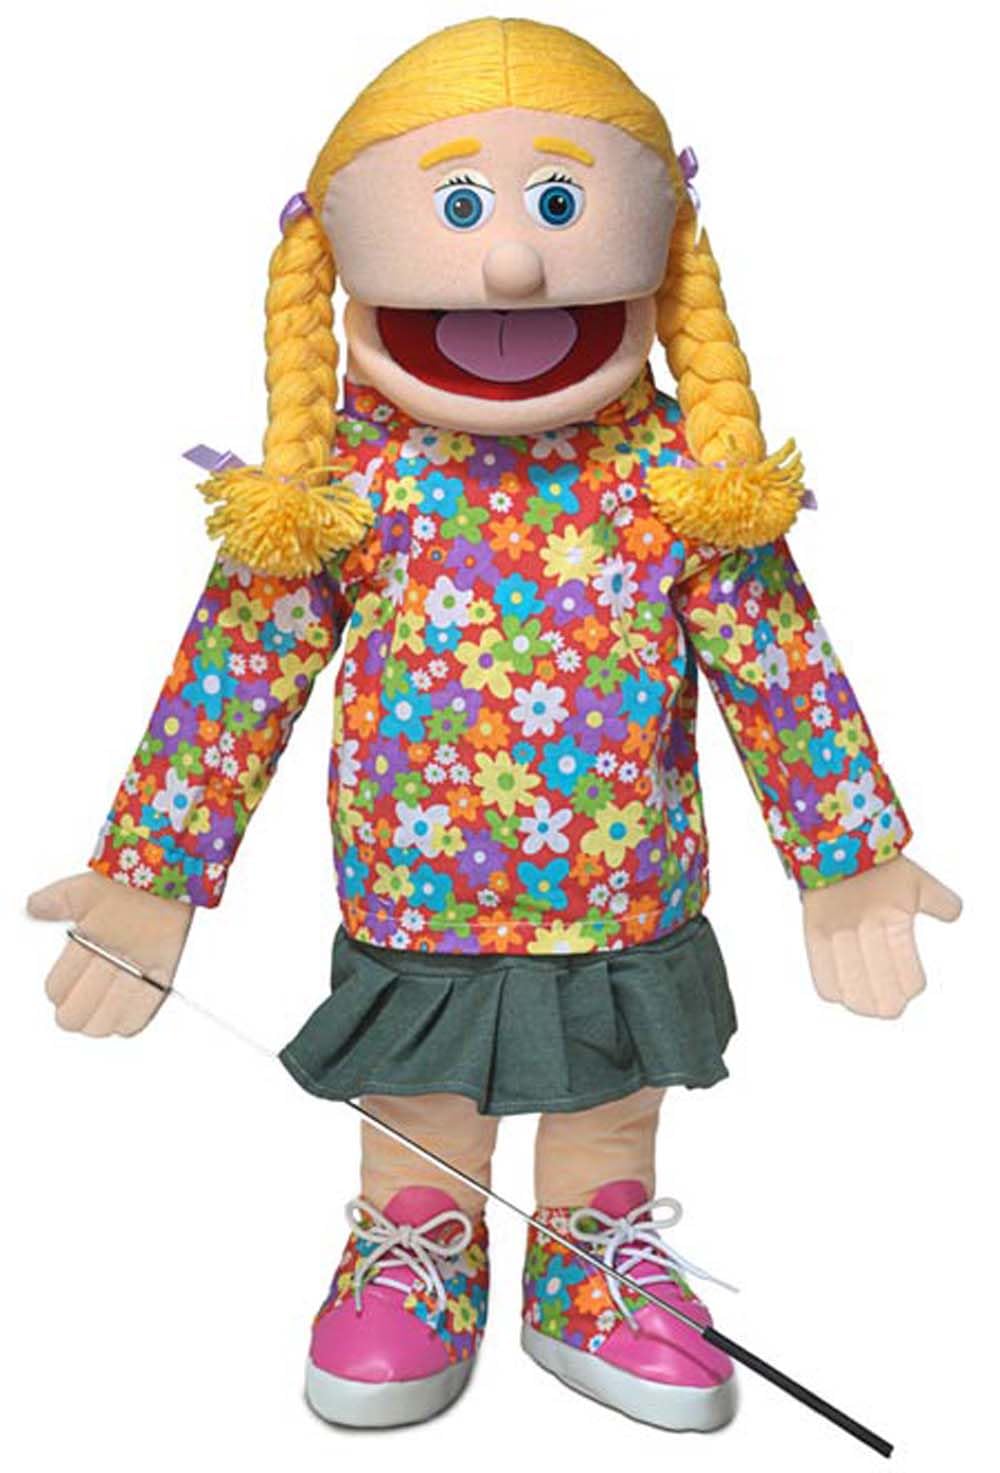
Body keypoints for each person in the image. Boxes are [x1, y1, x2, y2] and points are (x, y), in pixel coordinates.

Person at [28, 17, 961, 1434]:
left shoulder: (680, 475)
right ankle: (420, 1250)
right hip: (419, 901)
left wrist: (849, 854)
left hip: (624, 897)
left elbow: (777, 661)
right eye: (460, 206)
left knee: (609, 1110)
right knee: (422, 1106)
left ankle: (590, 1263)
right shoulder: (341, 478)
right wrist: (152, 870)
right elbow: (238, 672)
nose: (516, 267)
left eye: (558, 205)